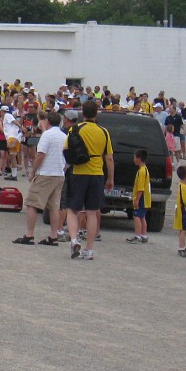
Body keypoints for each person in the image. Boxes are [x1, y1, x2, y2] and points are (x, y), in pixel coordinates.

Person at [65, 100, 114, 261]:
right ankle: (89, 249)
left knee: (73, 209)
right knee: (92, 212)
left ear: (83, 114)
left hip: (79, 172)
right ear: (96, 113)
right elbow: (109, 158)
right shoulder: (104, 131)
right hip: (97, 172)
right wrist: (110, 178)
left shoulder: (75, 128)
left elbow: (66, 150)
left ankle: (73, 239)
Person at [12, 110, 67, 246]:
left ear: (47, 121)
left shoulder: (47, 135)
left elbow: (40, 155)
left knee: (32, 203)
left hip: (46, 173)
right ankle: (53, 236)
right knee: (54, 207)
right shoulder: (64, 136)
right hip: (59, 173)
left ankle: (29, 234)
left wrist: (33, 172)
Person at [126, 148, 151, 244]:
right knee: (142, 217)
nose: (133, 159)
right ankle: (144, 235)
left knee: (136, 216)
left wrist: (137, 200)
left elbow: (140, 188)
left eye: (134, 158)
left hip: (141, 198)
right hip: (145, 198)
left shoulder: (141, 171)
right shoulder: (145, 169)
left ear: (139, 159)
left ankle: (137, 236)